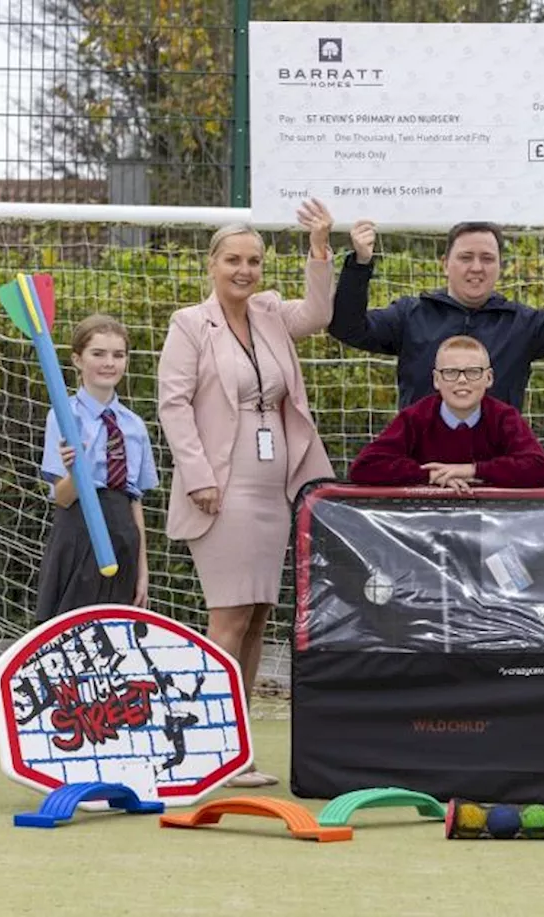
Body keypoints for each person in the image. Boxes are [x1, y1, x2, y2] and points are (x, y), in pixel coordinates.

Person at [157, 199, 337, 788]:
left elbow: (317, 312)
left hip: (273, 491)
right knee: (229, 617)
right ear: (211, 265)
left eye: (254, 261)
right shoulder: (189, 323)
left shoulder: (267, 312)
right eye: (233, 260)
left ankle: (236, 746)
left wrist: (318, 247)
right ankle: (209, 748)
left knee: (258, 616)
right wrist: (198, 475)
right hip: (223, 488)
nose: (244, 270)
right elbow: (174, 404)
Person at [328, 218, 544, 409]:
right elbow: (347, 328)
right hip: (422, 469)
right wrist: (360, 263)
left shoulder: (521, 324)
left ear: (499, 266)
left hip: (496, 472)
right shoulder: (411, 315)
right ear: (445, 264)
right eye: (465, 257)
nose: (476, 267)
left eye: (487, 259)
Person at [37, 314, 158, 620]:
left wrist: (142, 570)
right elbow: (62, 498)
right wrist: (81, 465)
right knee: (71, 638)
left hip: (122, 539)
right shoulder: (64, 418)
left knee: (116, 641)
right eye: (98, 353)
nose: (109, 363)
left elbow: (135, 501)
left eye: (118, 355)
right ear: (78, 360)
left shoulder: (133, 425)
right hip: (78, 535)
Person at [348, 335, 544, 490]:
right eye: (450, 372)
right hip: (424, 523)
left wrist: (472, 470)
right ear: (436, 380)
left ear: (489, 378)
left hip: (493, 522)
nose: (462, 380)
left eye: (473, 372)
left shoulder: (504, 418)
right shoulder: (415, 418)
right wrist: (432, 475)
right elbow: (365, 466)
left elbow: (540, 469)